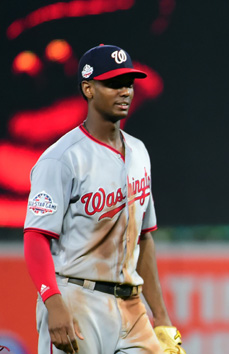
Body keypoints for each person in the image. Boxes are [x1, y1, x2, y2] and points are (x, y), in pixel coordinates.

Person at [23, 44, 185, 353]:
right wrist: (53, 303)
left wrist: (162, 318)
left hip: (131, 304)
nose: (124, 91)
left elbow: (144, 240)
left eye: (128, 83)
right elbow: (35, 237)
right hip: (76, 298)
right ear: (88, 88)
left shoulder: (139, 152)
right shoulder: (60, 158)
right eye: (113, 83)